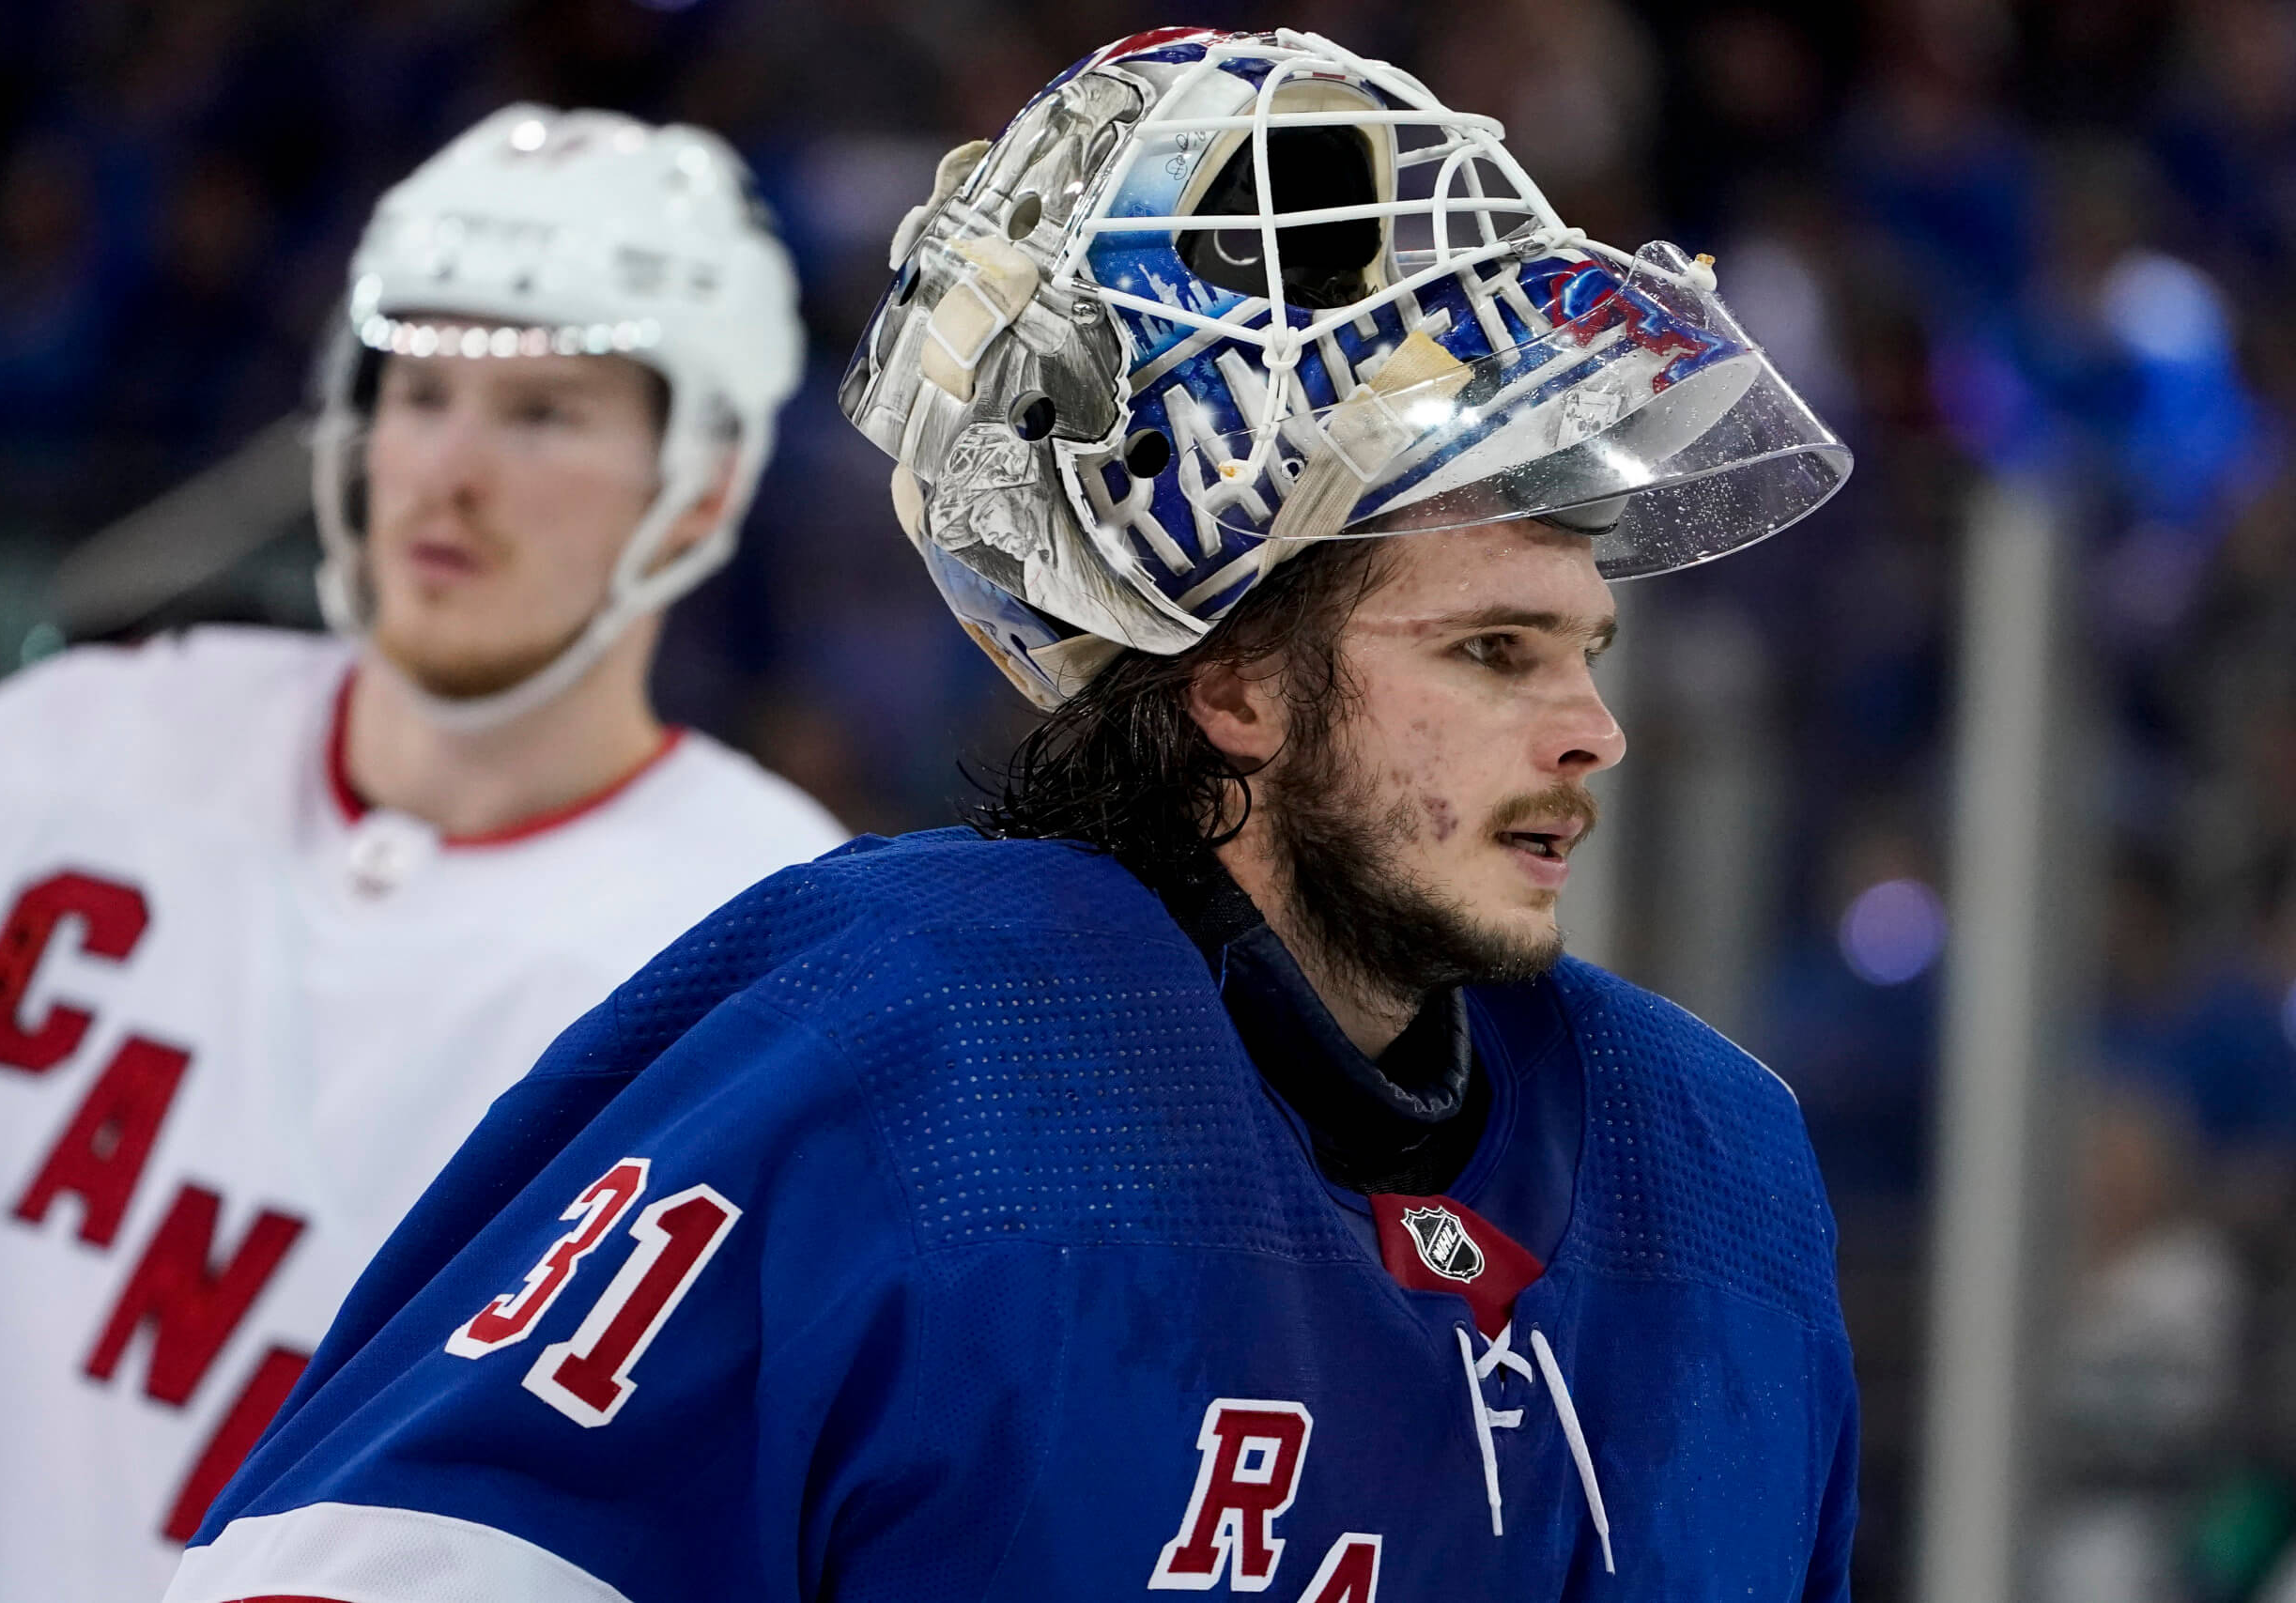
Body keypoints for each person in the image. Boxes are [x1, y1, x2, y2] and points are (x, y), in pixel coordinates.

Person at [170, 30, 1859, 1602]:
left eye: (1586, 650)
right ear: (1237, 681)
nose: (1594, 733)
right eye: (1494, 651)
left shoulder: (1711, 1170)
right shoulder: (923, 1046)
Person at [0, 105, 845, 1602]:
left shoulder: (777, 955)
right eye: (418, 387)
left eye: (544, 412)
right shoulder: (45, 757)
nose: (446, 470)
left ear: (706, 483)